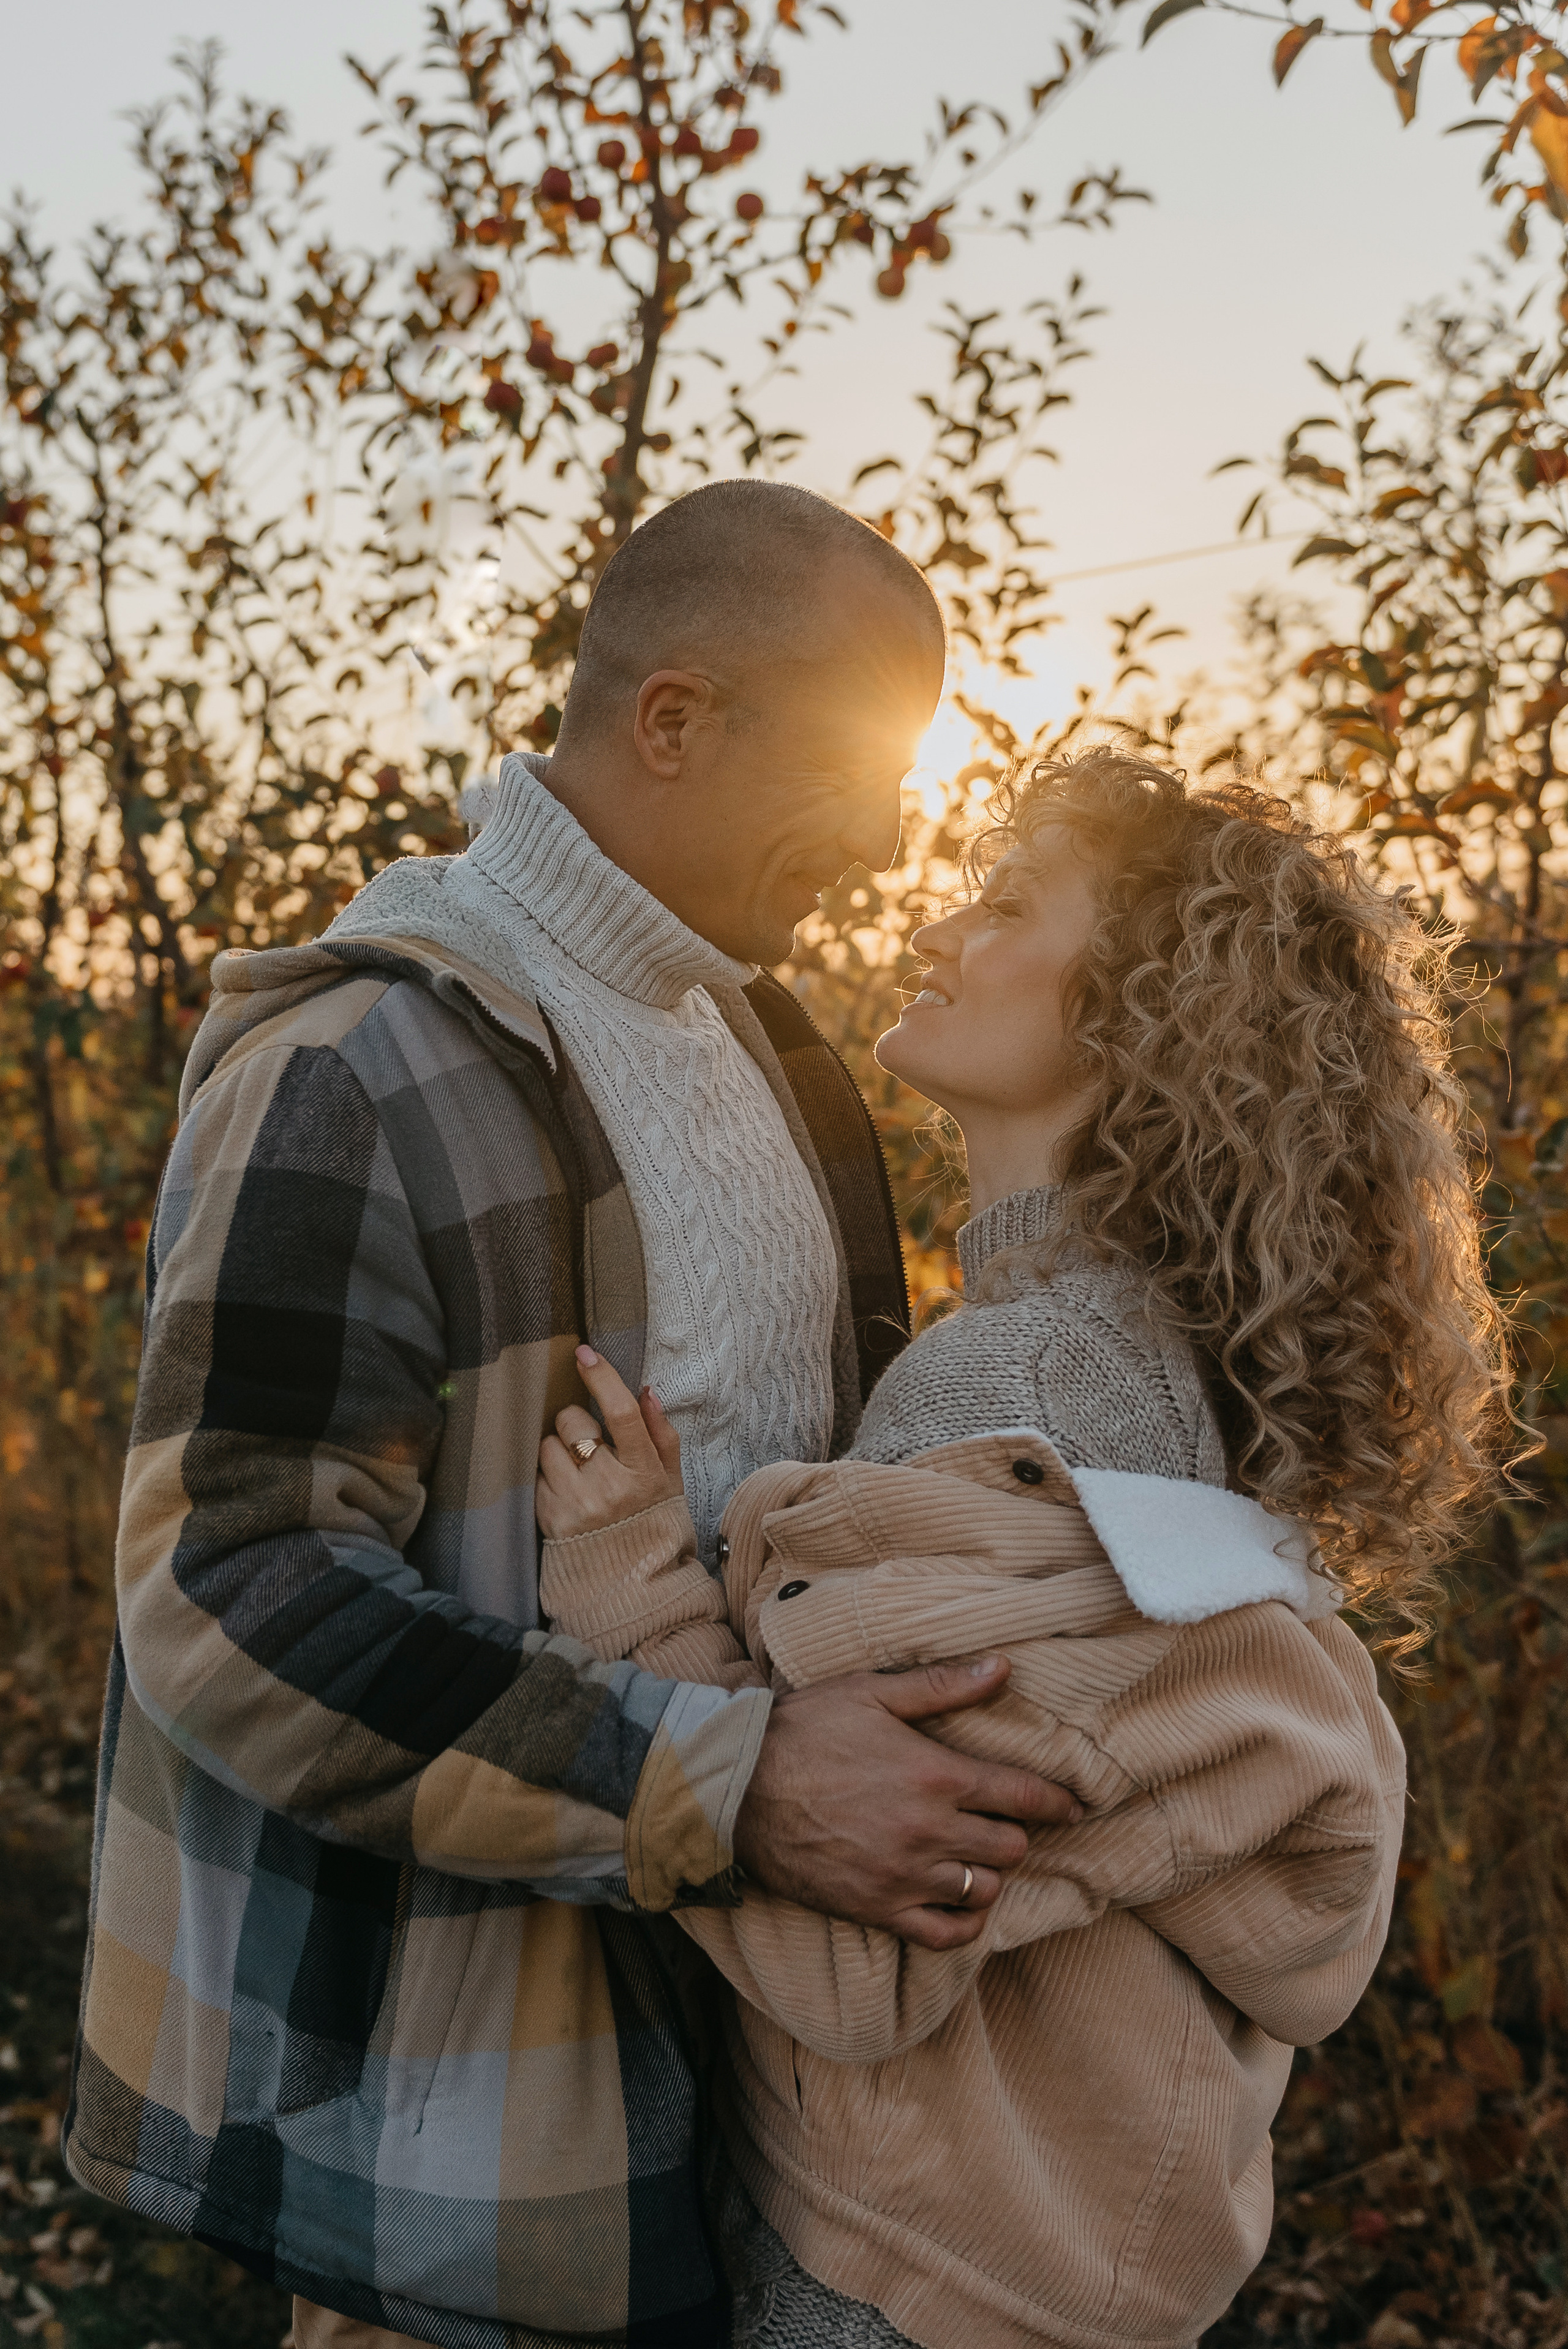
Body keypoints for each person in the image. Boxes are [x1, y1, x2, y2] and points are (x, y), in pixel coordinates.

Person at [62, 482, 1085, 2349]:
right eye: (858, 765)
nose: (885, 833)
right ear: (672, 719)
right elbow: (234, 1592)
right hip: (479, 2159)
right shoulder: (356, 1065)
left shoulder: (788, 1066)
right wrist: (736, 1783)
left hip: (791, 2126)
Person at [532, 750, 1509, 2349]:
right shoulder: (1157, 1364)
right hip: (1070, 2256)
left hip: (898, 2274)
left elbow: (863, 1943)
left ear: (1142, 1012)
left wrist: (637, 1589)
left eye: (1002, 905)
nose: (936, 931)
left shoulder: (1011, 1389)